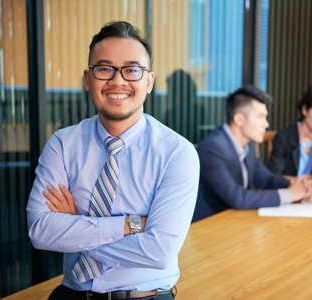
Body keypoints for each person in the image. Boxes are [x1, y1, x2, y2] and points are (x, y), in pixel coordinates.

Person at [26, 21, 200, 300]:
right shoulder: (62, 144)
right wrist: (130, 225)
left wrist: (76, 228)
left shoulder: (177, 153)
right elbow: (41, 231)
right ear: (87, 79)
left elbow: (159, 251)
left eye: (131, 70)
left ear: (149, 81)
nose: (117, 81)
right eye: (104, 69)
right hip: (71, 294)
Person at [192, 85, 312, 223]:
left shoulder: (247, 145)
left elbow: (266, 179)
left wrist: (293, 184)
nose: (266, 124)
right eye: (260, 117)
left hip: (234, 221)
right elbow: (238, 198)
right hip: (208, 227)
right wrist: (289, 194)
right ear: (239, 119)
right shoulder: (213, 148)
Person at [268, 85, 312, 185]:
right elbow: (274, 177)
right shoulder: (283, 137)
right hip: (289, 194)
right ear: (305, 110)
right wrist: (310, 179)